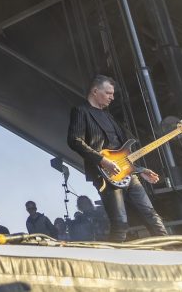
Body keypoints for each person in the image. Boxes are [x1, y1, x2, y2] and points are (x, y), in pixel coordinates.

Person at [67, 75, 168, 241]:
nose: (112, 97)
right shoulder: (81, 111)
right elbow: (74, 140)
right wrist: (102, 160)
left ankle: (171, 248)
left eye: (112, 94)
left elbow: (124, 151)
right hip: (105, 174)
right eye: (108, 93)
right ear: (95, 91)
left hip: (128, 173)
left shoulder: (109, 117)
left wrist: (140, 169)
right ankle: (115, 255)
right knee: (120, 223)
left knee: (151, 215)